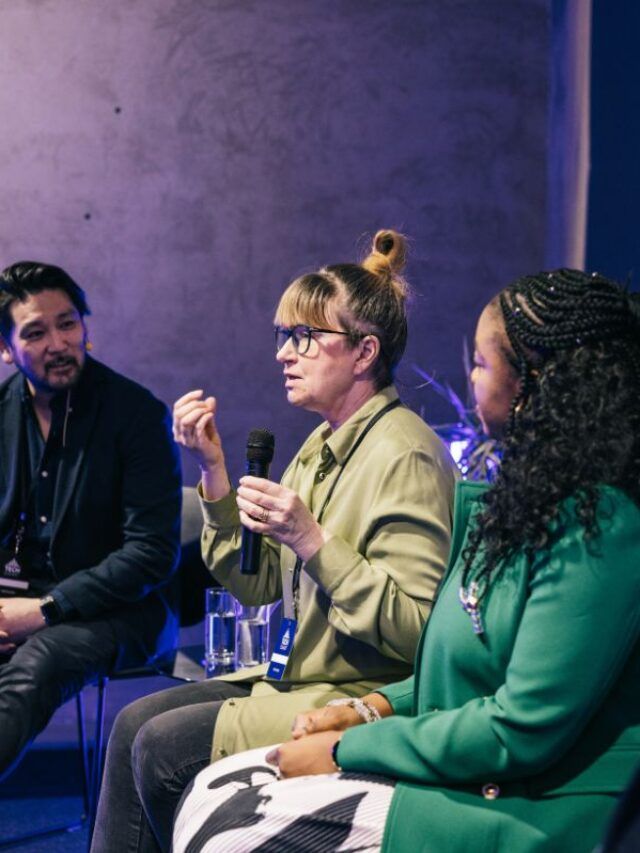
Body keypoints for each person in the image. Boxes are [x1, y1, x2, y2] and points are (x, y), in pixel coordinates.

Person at [173, 267, 640, 853]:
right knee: (207, 788)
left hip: (532, 802)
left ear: (536, 382)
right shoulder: (525, 501)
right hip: (431, 742)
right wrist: (370, 709)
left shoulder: (599, 523)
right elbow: (263, 586)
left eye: (479, 363)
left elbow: (513, 723)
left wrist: (351, 742)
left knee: (216, 816)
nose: (286, 356)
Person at [91, 230, 458, 853]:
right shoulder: (320, 445)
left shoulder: (406, 454)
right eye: (285, 336)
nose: (286, 354)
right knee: (132, 722)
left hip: (351, 697)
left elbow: (420, 633)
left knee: (162, 746)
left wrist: (314, 541)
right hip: (294, 674)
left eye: (306, 337)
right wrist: (213, 470)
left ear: (365, 352)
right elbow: (257, 583)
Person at [0, 261, 181, 780]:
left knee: (40, 662)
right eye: (35, 332)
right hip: (14, 605)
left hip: (122, 610)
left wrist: (44, 609)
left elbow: (150, 555)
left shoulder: (137, 414)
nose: (58, 342)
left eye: (69, 323)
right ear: (7, 349)